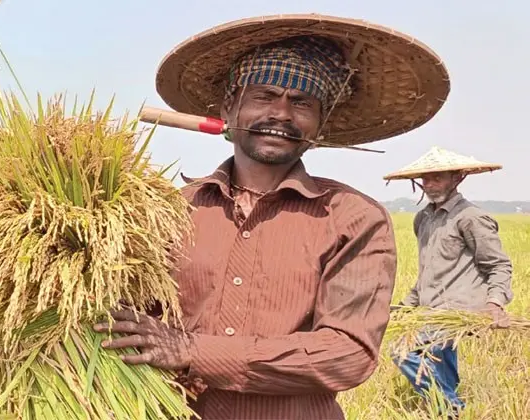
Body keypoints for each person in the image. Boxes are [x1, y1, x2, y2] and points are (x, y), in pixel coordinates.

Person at [92, 14, 451, 419]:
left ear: (320, 122)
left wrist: (193, 351)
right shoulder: (169, 210)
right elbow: (126, 319)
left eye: (301, 102)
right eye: (264, 95)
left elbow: (346, 354)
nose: (281, 113)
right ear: (231, 106)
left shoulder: (353, 219)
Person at [383, 146, 513, 416]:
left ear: (457, 178)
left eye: (437, 177)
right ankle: (447, 408)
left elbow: (498, 265)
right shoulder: (423, 218)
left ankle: (451, 409)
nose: (429, 184)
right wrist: (404, 306)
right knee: (442, 368)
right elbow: (428, 273)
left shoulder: (471, 218)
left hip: (458, 311)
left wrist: (495, 303)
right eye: (425, 179)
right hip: (432, 311)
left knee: (402, 350)